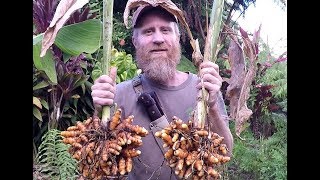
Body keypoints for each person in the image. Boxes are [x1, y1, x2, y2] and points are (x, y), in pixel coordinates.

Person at [91, 3, 233, 180]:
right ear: (135, 41)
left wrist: (211, 107)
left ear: (178, 37)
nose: (158, 39)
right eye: (148, 31)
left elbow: (225, 153)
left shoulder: (204, 88)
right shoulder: (118, 94)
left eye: (165, 30)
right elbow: (100, 160)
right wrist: (98, 110)